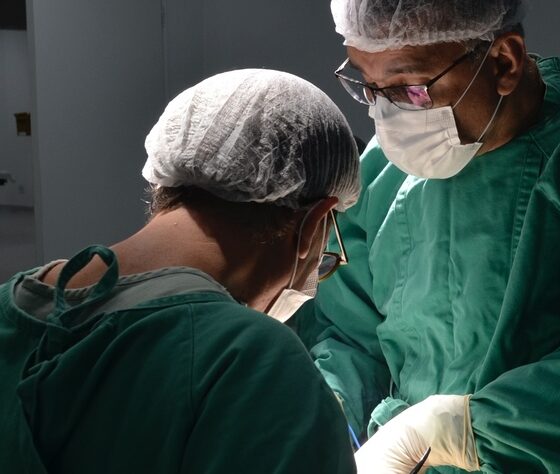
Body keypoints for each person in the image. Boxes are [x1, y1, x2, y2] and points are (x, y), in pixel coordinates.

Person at [294, 1, 560, 473]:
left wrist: (456, 433)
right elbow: (350, 335)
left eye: (410, 89)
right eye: (368, 87)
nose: (388, 116)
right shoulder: (384, 170)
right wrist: (329, 409)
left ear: (504, 61)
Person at [0, 69, 360, 473]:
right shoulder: (254, 365)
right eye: (327, 257)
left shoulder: (9, 307)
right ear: (314, 226)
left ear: (164, 181)